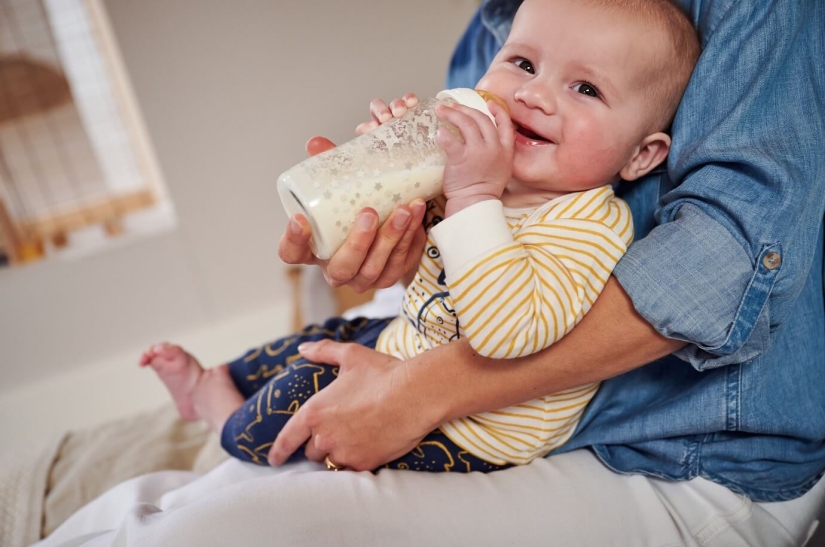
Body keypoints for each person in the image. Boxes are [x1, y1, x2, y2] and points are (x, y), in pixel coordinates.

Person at [141, 0, 700, 473]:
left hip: (471, 427)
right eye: (524, 63)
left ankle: (219, 416)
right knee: (313, 338)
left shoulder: (592, 228)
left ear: (640, 155)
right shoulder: (478, 175)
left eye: (585, 88)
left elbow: (505, 335)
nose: (534, 94)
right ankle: (213, 379)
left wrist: (473, 194)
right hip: (410, 341)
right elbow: (424, 271)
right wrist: (393, 168)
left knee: (296, 398)